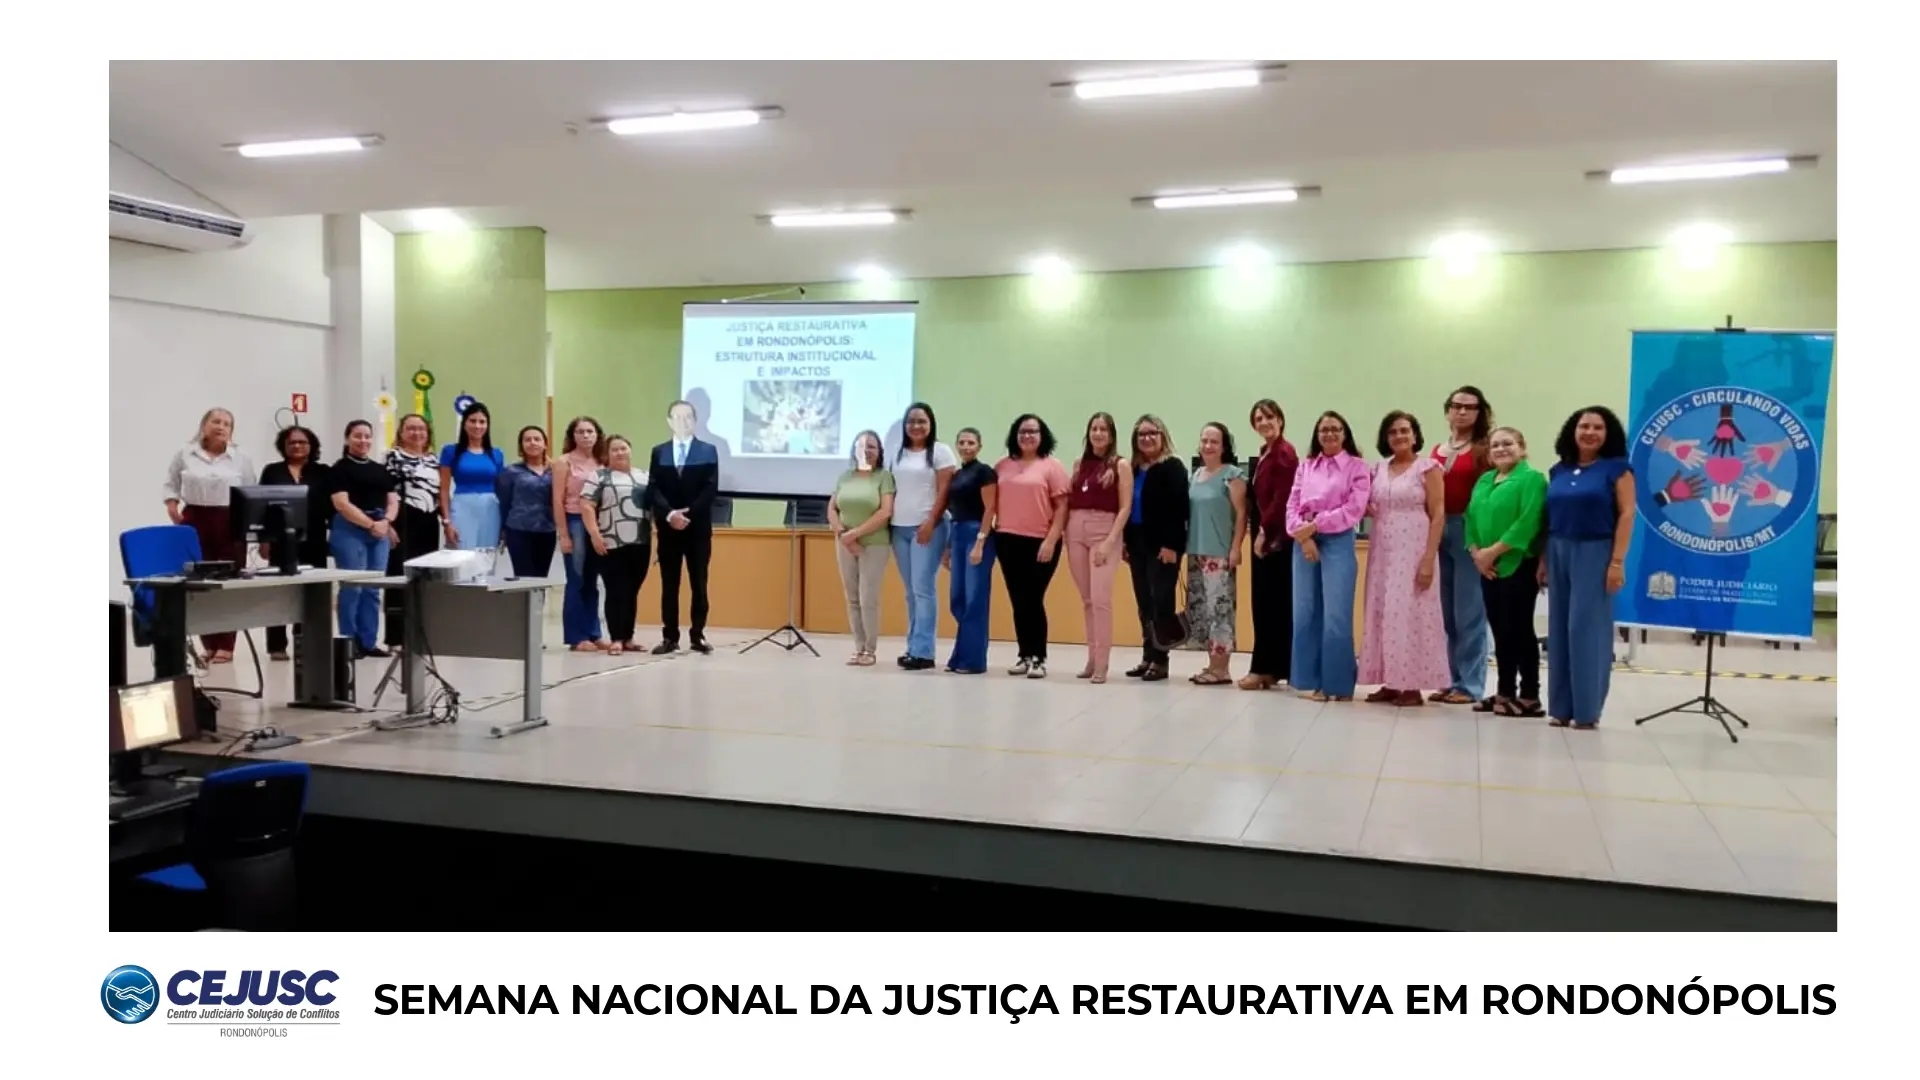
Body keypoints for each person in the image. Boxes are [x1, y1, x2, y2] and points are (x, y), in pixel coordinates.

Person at [1541, 406, 1636, 729]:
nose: (1590, 432)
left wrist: (1617, 562)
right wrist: (1543, 559)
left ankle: (1586, 710)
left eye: (1598, 427)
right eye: (1584, 426)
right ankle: (1561, 708)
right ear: (1573, 430)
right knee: (1559, 630)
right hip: (1558, 549)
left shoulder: (1617, 470)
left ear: (1607, 434)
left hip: (1596, 551)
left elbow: (1626, 515)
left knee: (1586, 629)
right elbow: (1549, 517)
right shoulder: (1559, 470)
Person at [1357, 411, 1450, 706]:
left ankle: (1411, 685)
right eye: (1393, 432)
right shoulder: (1378, 469)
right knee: (1383, 612)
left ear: (1414, 434)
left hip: (1414, 549)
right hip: (1382, 550)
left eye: (1404, 431)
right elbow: (1369, 504)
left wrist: (1428, 559)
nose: (1399, 436)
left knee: (1411, 613)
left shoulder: (1428, 468)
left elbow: (1438, 514)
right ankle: (1391, 680)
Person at [1286, 411, 1370, 703]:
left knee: (1336, 615)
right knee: (1305, 612)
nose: (1330, 434)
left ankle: (1337, 685)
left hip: (1337, 540)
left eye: (1335, 429)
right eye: (1324, 429)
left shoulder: (1357, 467)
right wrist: (1304, 535)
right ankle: (1309, 681)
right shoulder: (1306, 465)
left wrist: (1316, 526)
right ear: (1316, 434)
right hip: (1303, 542)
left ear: (1345, 434)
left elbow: (1354, 509)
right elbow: (1293, 504)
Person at [162, 407, 257, 663]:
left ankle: (226, 644)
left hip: (229, 518)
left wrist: (250, 528)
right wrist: (172, 506)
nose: (221, 426)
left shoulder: (240, 457)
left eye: (227, 423)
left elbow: (250, 491)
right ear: (204, 425)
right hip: (194, 518)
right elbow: (171, 483)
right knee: (198, 581)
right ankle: (208, 642)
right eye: (215, 421)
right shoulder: (185, 453)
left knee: (229, 580)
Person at [1466, 426, 1548, 717]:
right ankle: (1504, 692)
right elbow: (1471, 518)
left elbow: (1528, 522)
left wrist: (1493, 552)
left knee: (1520, 630)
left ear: (1522, 448)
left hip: (1518, 564)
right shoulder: (1485, 480)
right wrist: (1477, 553)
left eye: (1508, 444)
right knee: (1500, 631)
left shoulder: (1532, 479)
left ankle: (1529, 695)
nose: (1501, 449)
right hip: (1488, 568)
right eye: (1496, 445)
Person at [1429, 385, 1494, 705]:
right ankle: (1451, 679)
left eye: (1470, 407)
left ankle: (1471, 685)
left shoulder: (1484, 449)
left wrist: (1482, 540)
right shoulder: (1437, 450)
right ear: (1447, 411)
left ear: (1480, 412)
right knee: (1446, 614)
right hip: (1438, 531)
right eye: (1456, 405)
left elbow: (1492, 496)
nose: (1462, 411)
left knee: (1469, 612)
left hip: (1470, 531)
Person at [994, 413, 1070, 678]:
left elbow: (1062, 509)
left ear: (1042, 436)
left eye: (1033, 432)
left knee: (1033, 599)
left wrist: (1051, 540)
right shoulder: (1002, 465)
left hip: (1041, 542)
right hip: (1006, 540)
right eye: (1022, 431)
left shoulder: (1052, 467)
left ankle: (1039, 657)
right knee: (1018, 601)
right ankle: (1024, 655)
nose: (1027, 436)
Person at [1065, 412, 1133, 683]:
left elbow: (1125, 506)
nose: (1098, 434)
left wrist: (1110, 541)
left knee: (1101, 599)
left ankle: (1103, 663)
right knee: (1087, 600)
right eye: (1094, 428)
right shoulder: (1079, 463)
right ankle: (1092, 658)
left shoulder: (1120, 465)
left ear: (1112, 434)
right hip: (1075, 529)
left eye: (1103, 429)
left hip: (1104, 530)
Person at [889, 403, 957, 670]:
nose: (916, 426)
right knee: (910, 592)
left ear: (931, 424)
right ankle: (912, 646)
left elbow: (944, 491)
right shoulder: (896, 454)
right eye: (911, 421)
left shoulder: (941, 452)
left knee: (923, 589)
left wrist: (930, 521)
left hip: (928, 527)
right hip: (899, 528)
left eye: (922, 421)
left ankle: (924, 652)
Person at [649, 400, 720, 655]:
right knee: (670, 585)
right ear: (669, 421)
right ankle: (670, 636)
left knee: (699, 584)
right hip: (669, 529)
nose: (683, 422)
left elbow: (710, 488)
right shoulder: (659, 452)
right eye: (678, 417)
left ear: (695, 420)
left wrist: (688, 514)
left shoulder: (708, 450)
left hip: (697, 529)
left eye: (688, 417)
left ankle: (697, 635)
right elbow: (653, 487)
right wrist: (670, 514)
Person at [1122, 415, 1188, 683]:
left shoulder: (1173, 467)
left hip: (1164, 546)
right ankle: (1148, 655)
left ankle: (1161, 661)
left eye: (1153, 433)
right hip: (1137, 544)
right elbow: (1126, 507)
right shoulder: (1134, 469)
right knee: (1144, 603)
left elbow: (1180, 510)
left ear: (1163, 437)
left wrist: (1173, 546)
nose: (1147, 439)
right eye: (1141, 435)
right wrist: (1125, 542)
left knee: (1161, 603)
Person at [258, 424, 332, 660]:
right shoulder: (272, 471)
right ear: (284, 446)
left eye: (302, 442)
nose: (297, 446)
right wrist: (264, 539)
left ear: (311, 446)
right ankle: (277, 645)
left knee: (311, 593)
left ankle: (305, 642)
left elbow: (332, 506)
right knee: (280, 592)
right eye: (292, 443)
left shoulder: (323, 472)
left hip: (315, 538)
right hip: (281, 540)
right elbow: (260, 507)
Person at [1182, 422, 1247, 686]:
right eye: (1205, 441)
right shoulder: (1195, 475)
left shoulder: (1232, 475)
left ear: (1224, 446)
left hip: (1219, 554)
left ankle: (1222, 668)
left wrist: (1235, 548)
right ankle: (1211, 665)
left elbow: (1242, 514)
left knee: (1221, 611)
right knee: (1204, 612)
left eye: (1214, 441)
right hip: (1196, 552)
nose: (1208, 446)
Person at [327, 420, 398, 658]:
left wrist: (386, 523)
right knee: (352, 587)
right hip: (350, 529)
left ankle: (368, 641)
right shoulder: (339, 469)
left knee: (373, 589)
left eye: (367, 436)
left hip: (379, 530)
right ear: (347, 439)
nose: (363, 441)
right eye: (357, 436)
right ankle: (349, 641)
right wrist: (370, 525)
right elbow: (341, 504)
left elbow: (392, 501)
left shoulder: (380, 470)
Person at [1243, 399, 1298, 690]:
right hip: (1265, 533)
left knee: (1271, 604)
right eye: (1258, 419)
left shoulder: (1284, 453)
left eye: (1268, 417)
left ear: (1280, 418)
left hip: (1276, 537)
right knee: (1264, 603)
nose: (1264, 422)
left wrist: (1264, 531)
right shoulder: (1266, 452)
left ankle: (1266, 667)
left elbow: (1282, 497)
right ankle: (1270, 667)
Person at [827, 431, 895, 666]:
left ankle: (870, 649)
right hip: (844, 543)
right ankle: (858, 647)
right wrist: (841, 533)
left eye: (872, 447)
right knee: (852, 598)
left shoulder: (884, 477)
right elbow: (832, 508)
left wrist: (854, 535)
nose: (866, 450)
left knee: (868, 598)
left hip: (873, 544)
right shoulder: (845, 477)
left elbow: (885, 512)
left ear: (879, 452)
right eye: (861, 446)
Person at [579, 436, 652, 655]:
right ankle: (616, 639)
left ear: (630, 450)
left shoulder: (644, 476)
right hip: (611, 541)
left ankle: (628, 637)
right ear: (607, 454)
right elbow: (587, 505)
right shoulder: (600, 476)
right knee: (616, 590)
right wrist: (594, 534)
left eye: (623, 448)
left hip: (640, 541)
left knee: (632, 591)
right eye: (614, 449)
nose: (619, 452)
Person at [942, 427, 999, 675]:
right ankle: (960, 655)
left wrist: (980, 541)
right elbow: (951, 510)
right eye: (962, 442)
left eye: (971, 442)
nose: (966, 447)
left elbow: (990, 509)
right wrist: (948, 547)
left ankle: (973, 660)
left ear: (979, 446)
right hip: (957, 534)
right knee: (958, 599)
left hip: (977, 534)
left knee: (975, 600)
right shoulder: (956, 475)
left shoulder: (984, 472)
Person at [383, 413, 442, 651]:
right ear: (401, 432)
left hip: (429, 520)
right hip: (403, 518)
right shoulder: (393, 457)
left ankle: (420, 633)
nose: (417, 433)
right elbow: (386, 491)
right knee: (398, 575)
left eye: (421, 429)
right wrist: (388, 523)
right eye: (411, 428)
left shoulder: (434, 460)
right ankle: (395, 638)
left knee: (425, 578)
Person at [554, 416, 610, 650]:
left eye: (590, 431)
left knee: (592, 581)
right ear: (572, 436)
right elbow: (556, 500)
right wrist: (563, 534)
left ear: (598, 435)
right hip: (575, 521)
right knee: (576, 579)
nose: (586, 436)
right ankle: (576, 636)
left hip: (598, 523)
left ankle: (594, 632)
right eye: (580, 432)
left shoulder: (603, 462)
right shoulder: (563, 462)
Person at [438, 401, 506, 552]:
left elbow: (502, 489)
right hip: (462, 508)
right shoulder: (450, 451)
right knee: (462, 556)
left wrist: (504, 523)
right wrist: (447, 521)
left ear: (488, 425)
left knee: (486, 558)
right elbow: (443, 490)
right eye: (472, 421)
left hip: (491, 510)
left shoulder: (497, 454)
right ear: (464, 424)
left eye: (482, 422)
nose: (477, 426)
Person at [496, 425, 557, 578]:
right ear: (521, 445)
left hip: (547, 530)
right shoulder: (511, 471)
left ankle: (540, 603)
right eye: (527, 440)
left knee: (541, 578)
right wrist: (502, 531)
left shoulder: (555, 470)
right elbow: (504, 502)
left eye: (537, 439)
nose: (532, 443)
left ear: (545, 444)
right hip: (519, 530)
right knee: (523, 577)